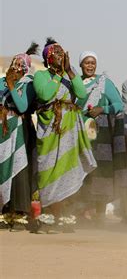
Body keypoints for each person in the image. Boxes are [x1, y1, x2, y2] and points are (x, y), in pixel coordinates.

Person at [33, 38, 96, 232]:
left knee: (68, 170)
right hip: (50, 132)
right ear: (48, 58)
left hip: (69, 133)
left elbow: (82, 93)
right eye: (57, 54)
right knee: (48, 169)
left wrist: (69, 71)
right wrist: (58, 76)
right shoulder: (41, 76)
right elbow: (45, 95)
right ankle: (47, 216)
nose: (61, 56)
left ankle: (63, 216)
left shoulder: (70, 77)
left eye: (63, 53)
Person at [75, 51, 127, 223]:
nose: (90, 66)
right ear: (81, 64)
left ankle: (98, 214)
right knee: (81, 170)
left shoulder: (104, 83)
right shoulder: (76, 83)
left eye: (92, 63)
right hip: (79, 133)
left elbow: (119, 104)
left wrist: (101, 109)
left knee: (100, 171)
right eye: (86, 63)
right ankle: (81, 212)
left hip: (100, 134)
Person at [0, 43, 38, 231]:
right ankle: (5, 211)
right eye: (14, 64)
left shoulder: (29, 83)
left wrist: (12, 85)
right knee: (4, 168)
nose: (16, 67)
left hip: (22, 130)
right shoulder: (2, 82)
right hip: (4, 130)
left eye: (19, 65)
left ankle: (20, 213)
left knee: (19, 170)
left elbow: (22, 106)